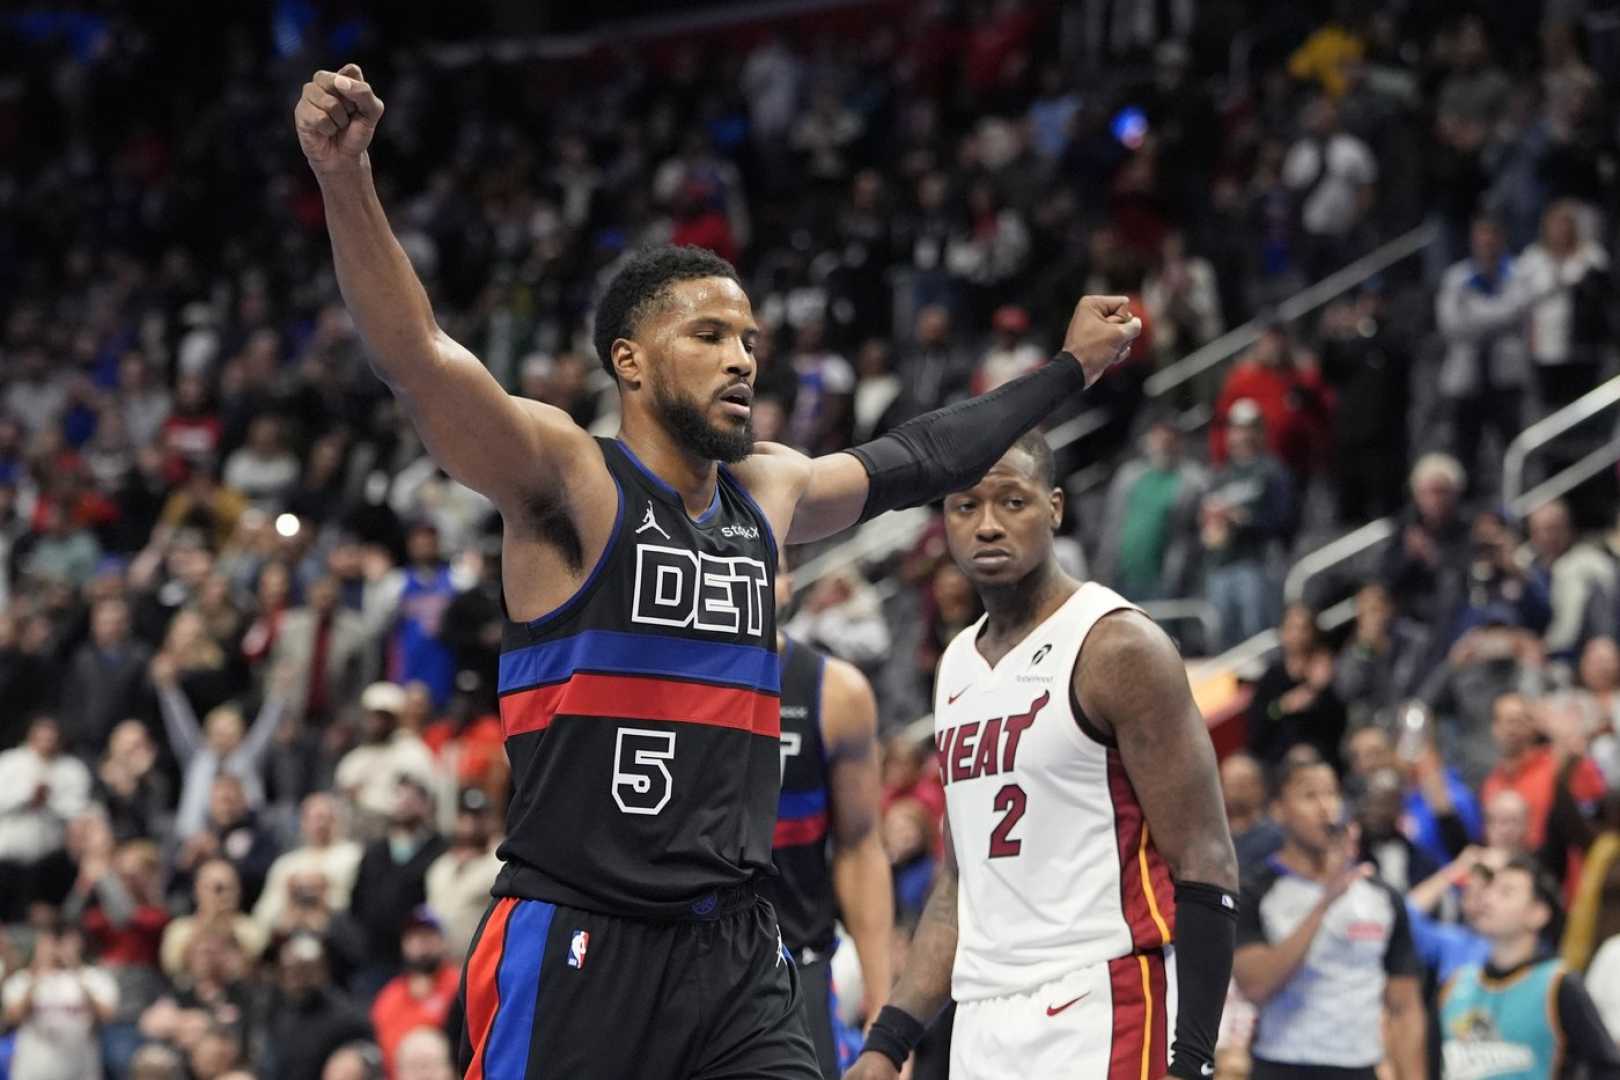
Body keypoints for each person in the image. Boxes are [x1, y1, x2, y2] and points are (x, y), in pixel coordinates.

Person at [296, 61, 1139, 1080]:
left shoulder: (769, 491)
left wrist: (1066, 371)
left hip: (740, 945)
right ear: (631, 362)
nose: (743, 357)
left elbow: (923, 460)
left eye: (750, 339)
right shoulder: (568, 479)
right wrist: (345, 178)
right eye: (709, 335)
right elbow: (419, 355)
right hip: (582, 936)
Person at [846, 434, 1238, 1079]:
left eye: (1012, 501)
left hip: (1104, 1002)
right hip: (982, 1020)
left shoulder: (1117, 645)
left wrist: (1192, 1057)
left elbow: (1206, 860)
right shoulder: (957, 666)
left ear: (1054, 508)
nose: (989, 525)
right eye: (966, 507)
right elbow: (960, 881)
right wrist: (888, 1042)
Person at [767, 555, 893, 1076]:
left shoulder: (835, 693)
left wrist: (885, 1023)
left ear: (788, 581)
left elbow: (861, 847)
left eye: (764, 563)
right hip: (679, 968)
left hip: (799, 968)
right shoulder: (658, 683)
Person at [1233, 756, 1426, 1078]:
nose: (1326, 807)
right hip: (1282, 1064)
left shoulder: (1382, 897)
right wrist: (1326, 901)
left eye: (1332, 794)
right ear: (1278, 810)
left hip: (1359, 1067)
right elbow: (1256, 986)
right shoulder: (1255, 892)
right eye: (1310, 796)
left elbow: (1405, 1008)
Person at [1440, 855, 1620, 1078]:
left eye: (1506, 892)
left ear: (1538, 913)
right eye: (1490, 889)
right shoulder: (1456, 983)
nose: (1488, 899)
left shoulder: (1558, 985)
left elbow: (1608, 1066)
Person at [1202, 400, 1296, 649]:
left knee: (1257, 638)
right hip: (1221, 565)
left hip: (1257, 564)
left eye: (1248, 428)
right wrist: (1209, 525)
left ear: (1260, 432)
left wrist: (1243, 519)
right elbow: (1205, 525)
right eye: (1236, 428)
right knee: (1222, 640)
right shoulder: (1220, 475)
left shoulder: (1272, 471)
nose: (1241, 435)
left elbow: (1284, 519)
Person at [0, 921, 119, 1080]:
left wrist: (75, 968)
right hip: (32, 1071)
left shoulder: (95, 978)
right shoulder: (23, 980)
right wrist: (38, 970)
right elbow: (13, 1017)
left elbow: (107, 1016)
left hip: (80, 1070)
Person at [369, 908, 460, 1076]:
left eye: (429, 936)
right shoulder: (389, 997)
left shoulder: (460, 986)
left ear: (443, 942)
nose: (422, 945)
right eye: (415, 937)